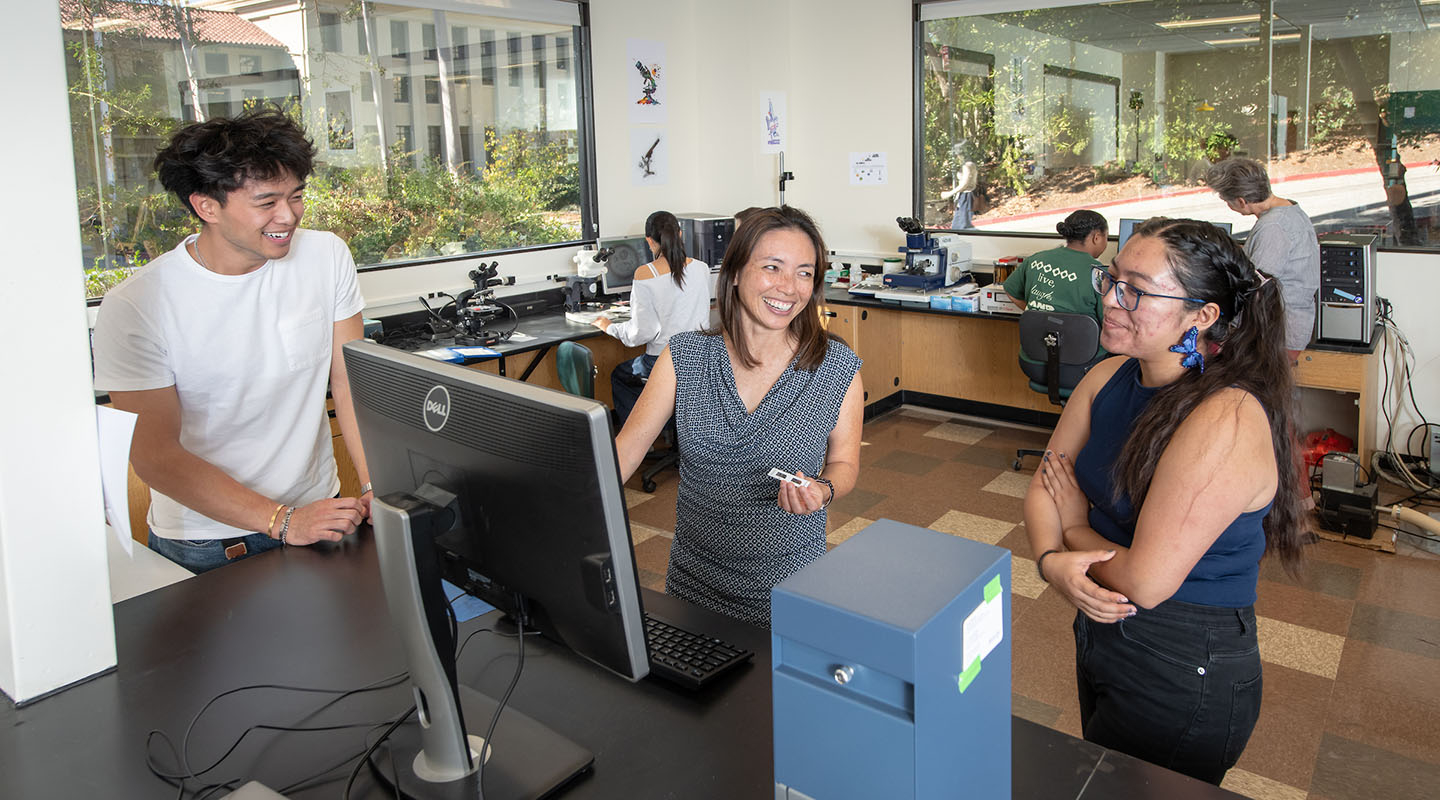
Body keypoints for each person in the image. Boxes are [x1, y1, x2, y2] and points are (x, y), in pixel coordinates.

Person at [1023, 217, 1306, 785]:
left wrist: (1073, 526)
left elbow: (1146, 581)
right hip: (1102, 627)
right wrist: (1051, 563)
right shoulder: (1107, 376)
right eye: (1112, 280)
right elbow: (1042, 488)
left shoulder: (1223, 416)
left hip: (1182, 656)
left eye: (1137, 290)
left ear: (1201, 316)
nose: (1111, 299)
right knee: (1102, 779)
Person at [92, 109, 371, 573]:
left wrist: (373, 485)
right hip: (212, 542)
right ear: (207, 206)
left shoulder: (326, 256)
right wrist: (282, 521)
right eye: (266, 202)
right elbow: (155, 456)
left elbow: (350, 384)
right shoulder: (137, 306)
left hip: (322, 512)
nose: (289, 216)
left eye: (296, 196)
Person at [614, 206, 864, 628]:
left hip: (789, 592)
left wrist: (822, 489)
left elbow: (844, 464)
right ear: (733, 273)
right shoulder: (686, 357)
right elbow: (625, 452)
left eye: (805, 273)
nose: (789, 287)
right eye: (772, 267)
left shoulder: (836, 367)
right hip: (693, 589)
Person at [593, 210, 711, 428]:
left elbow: (640, 334)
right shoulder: (702, 269)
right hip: (699, 360)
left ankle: (641, 437)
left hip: (662, 362)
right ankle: (675, 430)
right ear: (680, 234)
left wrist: (609, 327)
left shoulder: (645, 274)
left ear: (649, 240)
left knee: (620, 375)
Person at [1205, 157, 1320, 359]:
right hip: (1291, 322)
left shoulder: (1272, 226)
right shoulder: (1290, 210)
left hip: (1278, 331)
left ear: (1241, 201)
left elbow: (1254, 286)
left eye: (1226, 200)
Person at [1004, 210, 1109, 359]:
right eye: (1107, 237)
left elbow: (1010, 290)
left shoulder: (1035, 260)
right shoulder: (1098, 274)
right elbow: (1108, 321)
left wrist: (1037, 311)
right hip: (1083, 362)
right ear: (1097, 238)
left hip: (1034, 359)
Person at [941, 159, 978, 229]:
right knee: (959, 225)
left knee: (961, 226)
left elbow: (964, 184)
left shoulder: (968, 166)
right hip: (964, 196)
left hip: (966, 197)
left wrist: (949, 194)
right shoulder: (966, 165)